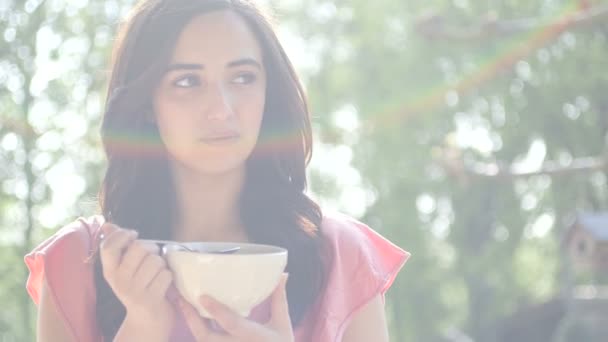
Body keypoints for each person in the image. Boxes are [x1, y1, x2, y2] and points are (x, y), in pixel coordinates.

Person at [24, 0, 410, 341]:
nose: (222, 109)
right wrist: (141, 328)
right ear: (146, 103)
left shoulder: (340, 254)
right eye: (188, 81)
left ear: (268, 92)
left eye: (243, 77)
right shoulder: (78, 260)